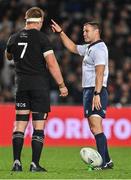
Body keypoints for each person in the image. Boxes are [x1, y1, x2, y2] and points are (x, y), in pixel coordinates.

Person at [5, 7, 68, 172]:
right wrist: (61, 85)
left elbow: (8, 55)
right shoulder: (42, 38)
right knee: (38, 126)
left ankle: (17, 162)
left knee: (20, 124)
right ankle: (34, 164)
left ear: (26, 19)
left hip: (21, 86)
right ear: (39, 21)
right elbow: (52, 63)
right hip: (39, 86)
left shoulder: (14, 37)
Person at [51, 20, 113, 170]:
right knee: (93, 127)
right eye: (83, 31)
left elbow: (100, 73)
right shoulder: (90, 48)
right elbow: (72, 47)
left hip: (95, 90)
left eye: (87, 31)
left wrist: (97, 93)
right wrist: (61, 32)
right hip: (89, 90)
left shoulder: (99, 49)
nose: (84, 33)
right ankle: (108, 160)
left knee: (96, 126)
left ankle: (103, 163)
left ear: (96, 32)